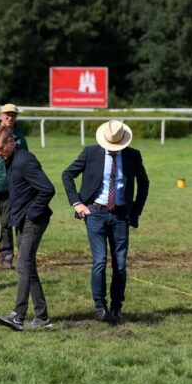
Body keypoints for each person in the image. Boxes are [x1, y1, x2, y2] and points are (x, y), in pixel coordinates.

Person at [62, 120, 149, 322]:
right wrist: (77, 203)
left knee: (120, 264)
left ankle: (116, 306)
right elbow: (67, 175)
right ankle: (99, 306)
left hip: (120, 216)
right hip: (95, 214)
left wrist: (134, 211)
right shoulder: (90, 153)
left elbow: (144, 183)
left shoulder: (133, 155)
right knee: (100, 260)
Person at [0, 126, 56, 331]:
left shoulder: (25, 161)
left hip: (33, 221)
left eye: (1, 148)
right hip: (21, 220)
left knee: (23, 264)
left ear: (11, 141)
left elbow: (48, 189)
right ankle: (42, 317)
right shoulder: (10, 160)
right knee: (28, 266)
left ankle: (18, 316)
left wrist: (32, 213)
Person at [0, 103, 29, 271]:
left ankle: (6, 258)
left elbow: (25, 161)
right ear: (0, 115)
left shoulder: (19, 137)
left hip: (10, 188)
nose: (10, 118)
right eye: (7, 114)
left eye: (13, 115)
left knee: (6, 224)